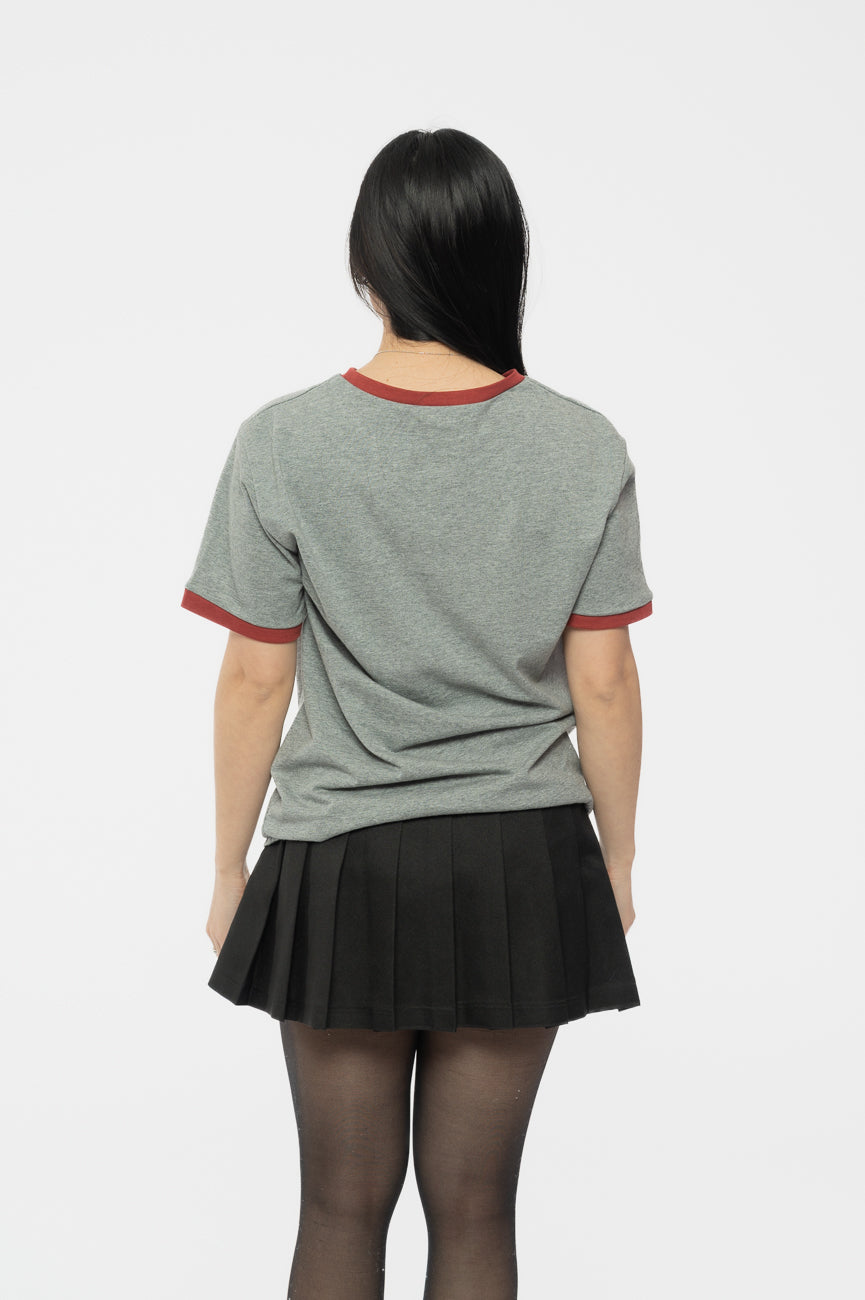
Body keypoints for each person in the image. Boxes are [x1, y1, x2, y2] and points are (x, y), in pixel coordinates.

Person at [181, 127, 654, 1300]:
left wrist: (229, 867)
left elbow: (254, 680)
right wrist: (618, 857)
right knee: (478, 1209)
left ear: (365, 267)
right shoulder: (581, 443)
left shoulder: (284, 441)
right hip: (521, 860)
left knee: (339, 1205)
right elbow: (602, 680)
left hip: (340, 859)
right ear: (505, 263)